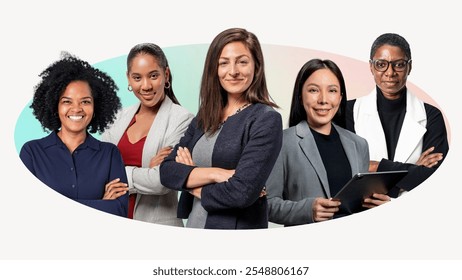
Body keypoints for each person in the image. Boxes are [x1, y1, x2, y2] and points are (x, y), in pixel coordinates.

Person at [159, 28, 283, 229]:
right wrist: (217, 174)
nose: (233, 71)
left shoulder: (266, 120)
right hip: (195, 224)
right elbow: (167, 171)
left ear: (256, 67)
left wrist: (191, 180)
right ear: (214, 69)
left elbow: (241, 193)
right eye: (224, 63)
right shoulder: (205, 115)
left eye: (242, 62)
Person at [266, 59, 390, 227]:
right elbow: (266, 204)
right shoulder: (281, 142)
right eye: (313, 90)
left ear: (340, 98)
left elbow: (360, 203)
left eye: (332, 90)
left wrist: (378, 206)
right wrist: (307, 210)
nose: (323, 99)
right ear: (300, 96)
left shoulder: (359, 145)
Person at [20, 53, 129, 217]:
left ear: (95, 106)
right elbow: (26, 210)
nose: (77, 109)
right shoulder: (32, 153)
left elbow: (119, 211)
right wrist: (101, 204)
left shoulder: (109, 154)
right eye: (67, 101)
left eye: (85, 101)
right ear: (55, 106)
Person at [346, 33, 449, 197]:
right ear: (371, 67)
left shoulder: (431, 116)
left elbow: (435, 178)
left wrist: (377, 167)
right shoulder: (348, 111)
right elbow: (343, 171)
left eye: (399, 64)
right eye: (381, 64)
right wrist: (414, 169)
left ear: (410, 66)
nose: (390, 72)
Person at [102, 43, 194, 226]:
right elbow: (96, 170)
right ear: (128, 79)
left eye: (153, 76)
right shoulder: (118, 118)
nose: (145, 86)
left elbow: (164, 179)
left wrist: (120, 174)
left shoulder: (182, 119)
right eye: (137, 77)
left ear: (165, 75)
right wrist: (147, 172)